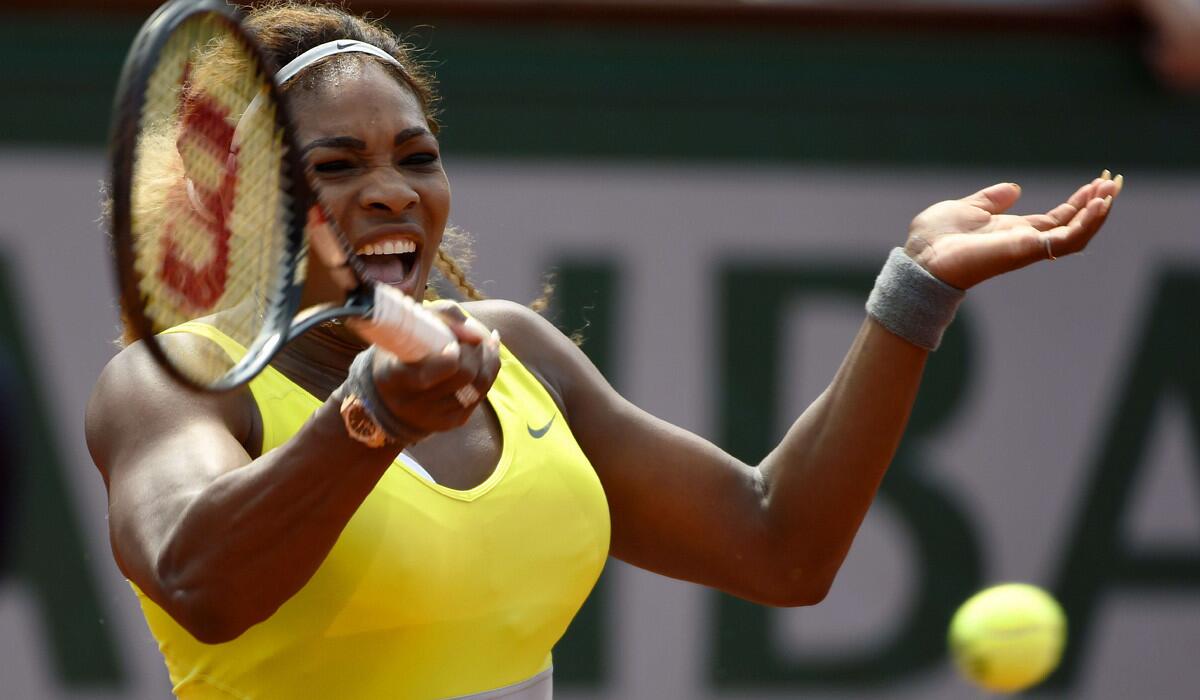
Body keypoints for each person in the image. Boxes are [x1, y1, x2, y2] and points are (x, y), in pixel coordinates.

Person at [84, 3, 1123, 698]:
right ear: (249, 204)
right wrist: (375, 421)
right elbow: (199, 578)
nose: (394, 189)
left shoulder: (518, 352)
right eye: (337, 163)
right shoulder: (172, 383)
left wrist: (915, 292)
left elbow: (779, 546)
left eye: (417, 155)